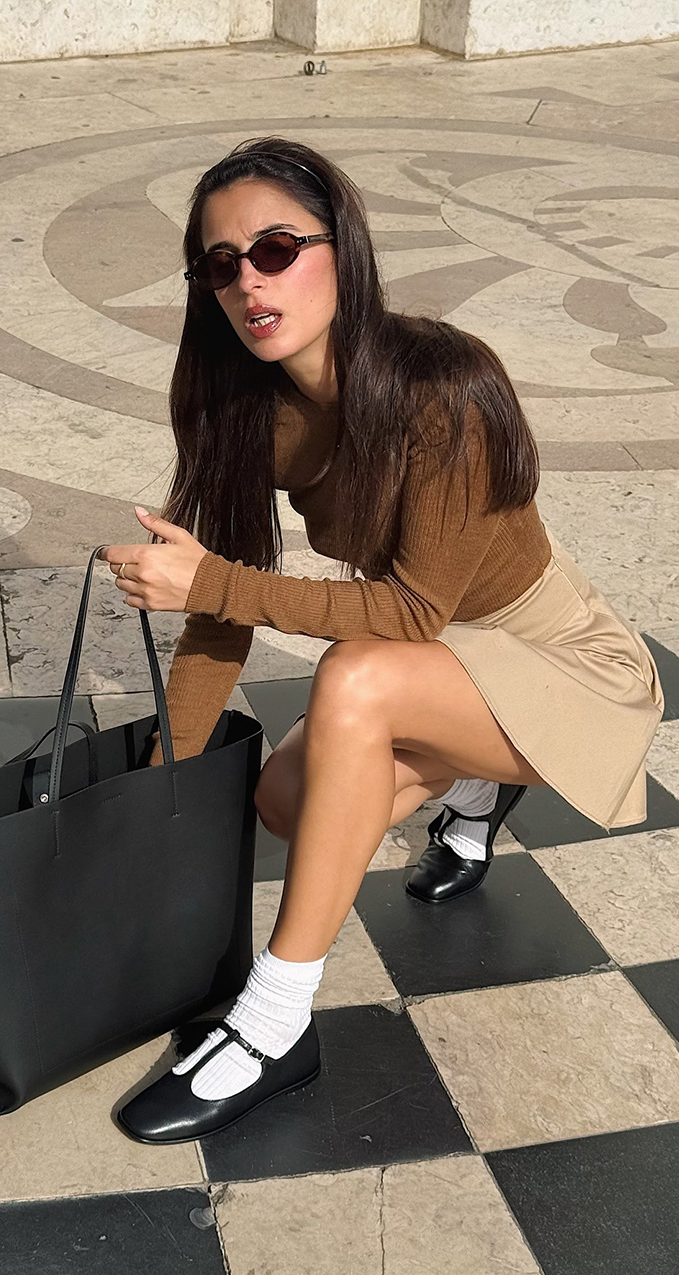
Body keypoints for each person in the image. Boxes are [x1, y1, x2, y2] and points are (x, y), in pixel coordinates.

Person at [99, 136, 665, 1145]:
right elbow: (217, 613)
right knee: (282, 801)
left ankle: (274, 1026)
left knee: (357, 676)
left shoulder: (441, 388)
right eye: (219, 263)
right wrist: (167, 780)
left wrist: (214, 579)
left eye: (275, 248)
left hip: (562, 659)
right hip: (440, 665)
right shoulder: (245, 412)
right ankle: (476, 785)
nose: (247, 281)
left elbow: (404, 615)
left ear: (343, 250)